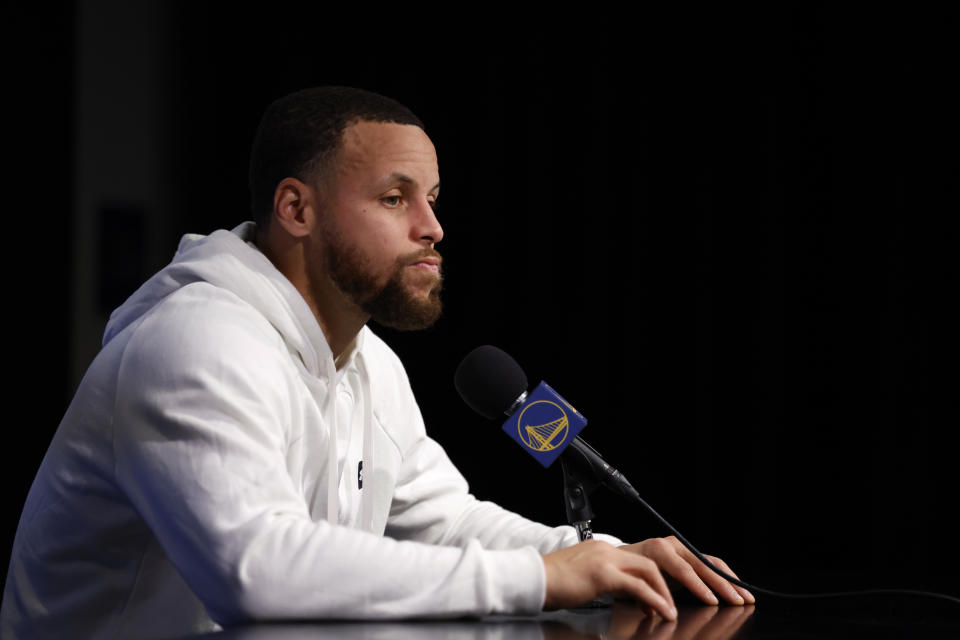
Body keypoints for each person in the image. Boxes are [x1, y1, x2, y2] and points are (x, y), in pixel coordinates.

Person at [1, 86, 753, 638]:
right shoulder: (195, 344)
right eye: (396, 199)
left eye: (431, 197)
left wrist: (604, 557)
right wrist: (540, 579)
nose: (434, 228)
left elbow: (443, 521)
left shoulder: (368, 363)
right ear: (297, 209)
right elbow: (253, 572)